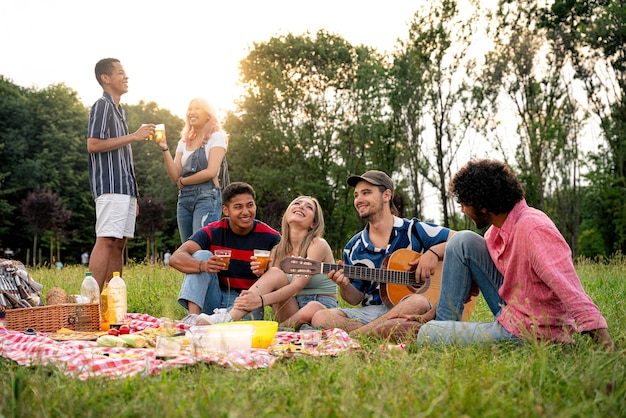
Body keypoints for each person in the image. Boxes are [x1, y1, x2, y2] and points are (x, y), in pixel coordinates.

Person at [417, 159, 615, 351]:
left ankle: (438, 334)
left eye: (464, 203)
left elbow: (569, 288)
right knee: (462, 241)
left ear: (482, 206)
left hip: (533, 332)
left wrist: (606, 346)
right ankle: (443, 327)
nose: (462, 209)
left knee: (427, 333)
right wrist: (430, 315)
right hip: (515, 310)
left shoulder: (533, 229)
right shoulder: (496, 231)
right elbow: (464, 281)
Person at [310, 170, 454, 336]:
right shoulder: (353, 247)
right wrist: (344, 285)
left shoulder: (415, 230)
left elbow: (463, 241)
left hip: (414, 307)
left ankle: (357, 335)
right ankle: (386, 330)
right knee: (321, 317)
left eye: (366, 193)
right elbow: (355, 299)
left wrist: (434, 253)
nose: (359, 200)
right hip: (371, 312)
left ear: (386, 195)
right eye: (356, 195)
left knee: (418, 301)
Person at [201, 196, 338, 329]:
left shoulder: (318, 244)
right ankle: (227, 318)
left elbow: (296, 286)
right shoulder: (278, 251)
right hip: (292, 310)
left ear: (313, 223)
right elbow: (275, 286)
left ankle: (279, 329)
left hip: (320, 308)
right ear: (287, 214)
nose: (301, 206)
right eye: (297, 203)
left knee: (313, 306)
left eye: (309, 207)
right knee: (274, 273)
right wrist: (261, 275)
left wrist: (260, 301)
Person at [87, 58, 155, 290]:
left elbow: (123, 156)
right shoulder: (102, 105)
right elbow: (93, 144)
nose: (126, 77)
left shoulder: (120, 111)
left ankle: (113, 300)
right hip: (109, 186)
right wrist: (134, 136)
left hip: (125, 189)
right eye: (120, 73)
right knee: (106, 239)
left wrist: (133, 195)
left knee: (118, 245)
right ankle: (91, 303)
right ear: (106, 78)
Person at [170, 182, 281, 324]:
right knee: (201, 255)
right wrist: (203, 265)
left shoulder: (271, 237)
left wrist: (265, 272)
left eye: (250, 205)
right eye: (238, 207)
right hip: (214, 298)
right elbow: (176, 258)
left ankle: (210, 323)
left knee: (243, 323)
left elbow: (283, 273)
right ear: (226, 210)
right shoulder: (214, 231)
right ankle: (193, 320)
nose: (246, 212)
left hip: (245, 303)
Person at [156, 98, 227, 243]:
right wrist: (164, 148)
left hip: (207, 196)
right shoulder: (184, 142)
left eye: (197, 108)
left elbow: (211, 171)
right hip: (184, 198)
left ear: (208, 114)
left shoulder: (217, 137)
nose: (192, 112)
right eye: (190, 109)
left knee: (201, 245)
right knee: (187, 246)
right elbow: (175, 174)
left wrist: (184, 181)